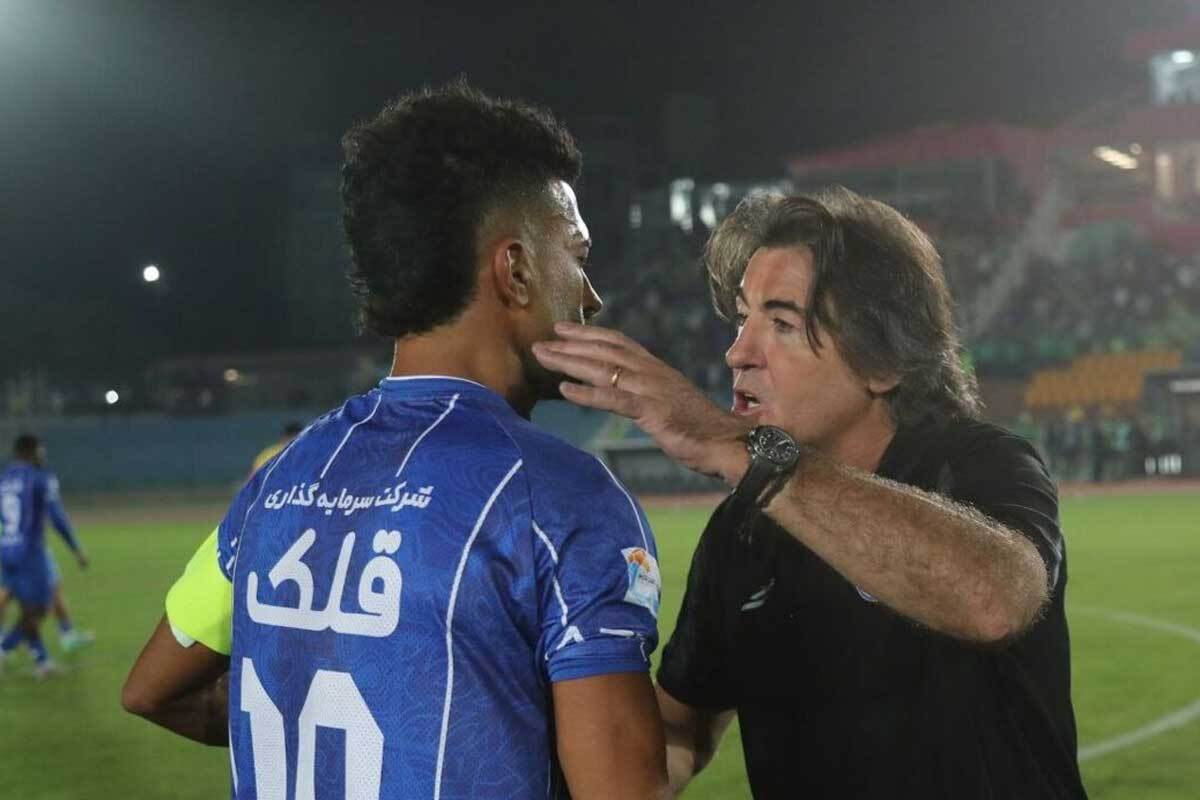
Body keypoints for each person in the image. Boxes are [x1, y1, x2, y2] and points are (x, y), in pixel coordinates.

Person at [122, 81, 667, 800]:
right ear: (516, 270)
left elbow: (152, 690)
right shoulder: (561, 497)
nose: (591, 295)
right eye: (578, 254)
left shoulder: (280, 480)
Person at [533, 188, 1086, 798]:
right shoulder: (742, 531)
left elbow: (993, 600)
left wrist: (743, 452)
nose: (738, 352)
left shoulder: (978, 464)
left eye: (782, 323)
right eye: (741, 319)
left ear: (882, 360)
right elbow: (682, 729)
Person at [0, 434, 91, 678]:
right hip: (30, 552)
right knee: (40, 608)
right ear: (31, 452)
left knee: (26, 607)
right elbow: (57, 518)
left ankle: (42, 662)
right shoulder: (40, 477)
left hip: (6, 549)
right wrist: (76, 548)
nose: (43, 455)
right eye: (41, 451)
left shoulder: (4, 479)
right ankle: (5, 647)